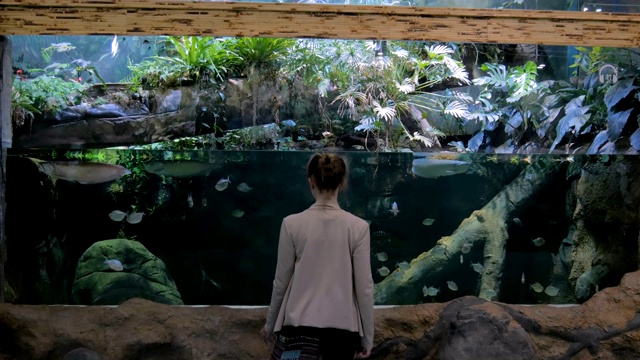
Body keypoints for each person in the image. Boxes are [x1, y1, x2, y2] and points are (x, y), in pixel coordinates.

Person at [261, 153, 374, 359]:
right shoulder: (358, 227)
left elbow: (281, 282)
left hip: (298, 330)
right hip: (342, 333)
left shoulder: (291, 224)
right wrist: (368, 336)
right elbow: (365, 287)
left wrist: (270, 325)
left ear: (310, 181)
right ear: (342, 182)